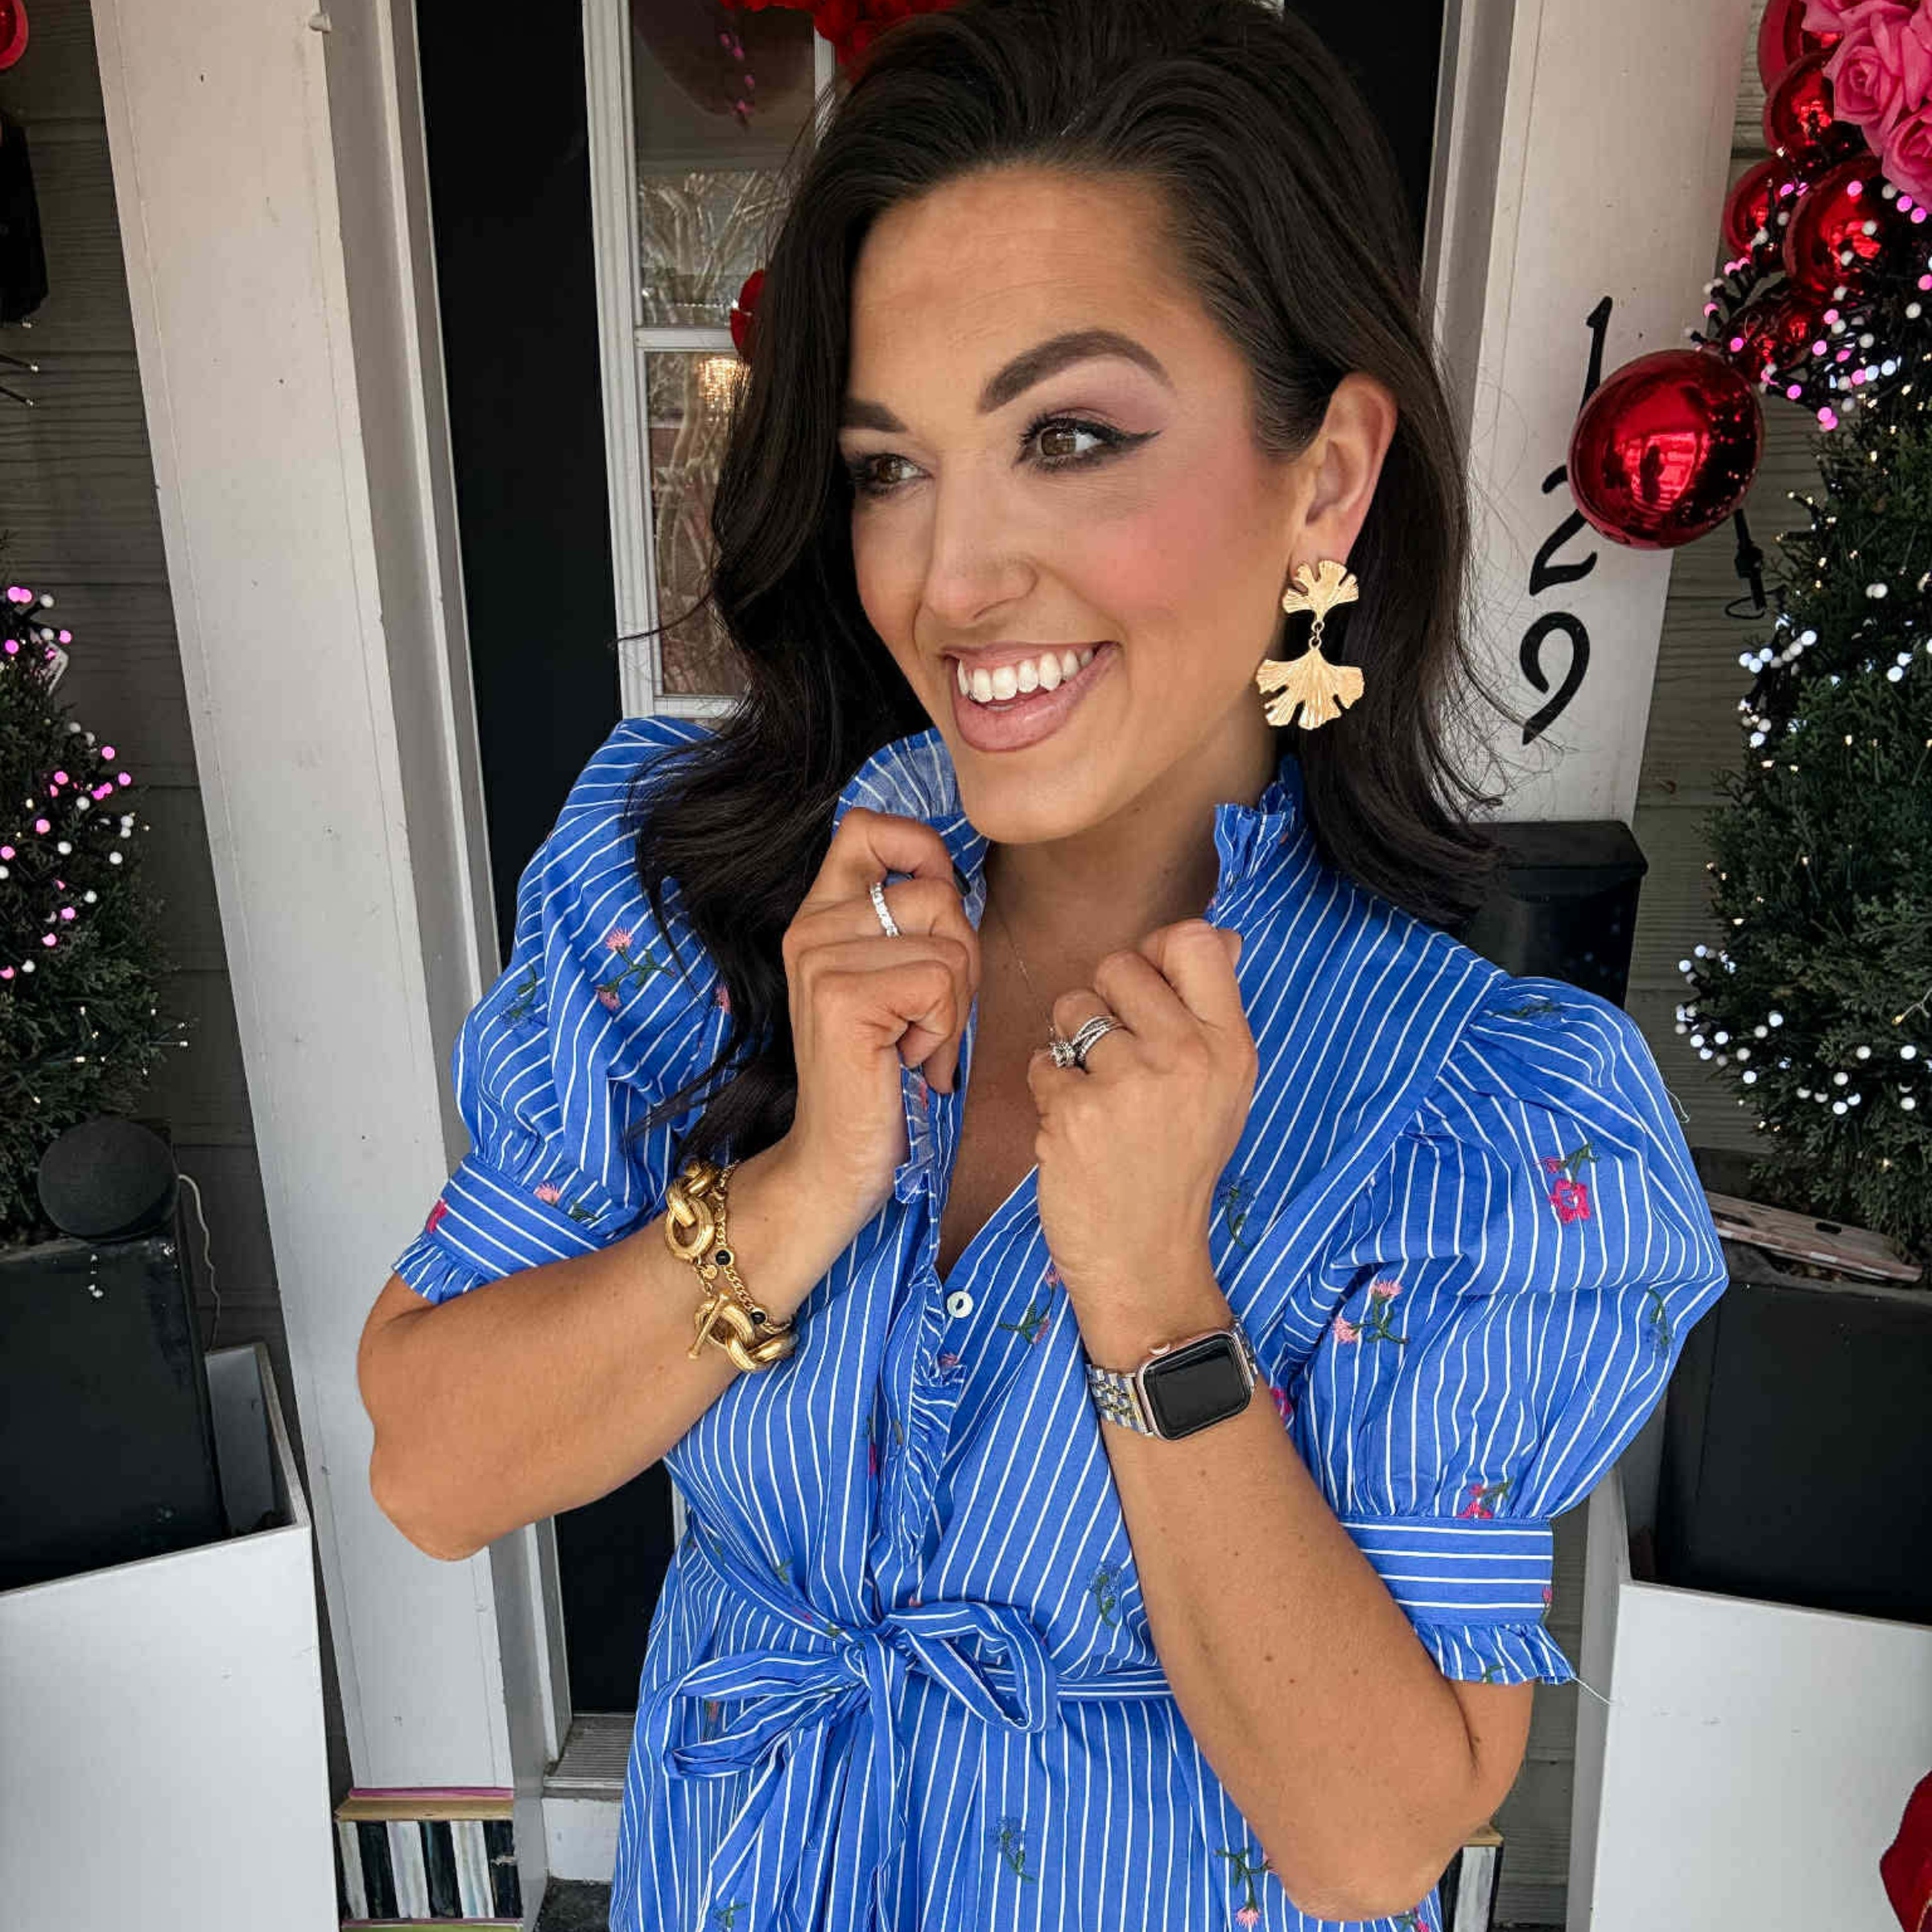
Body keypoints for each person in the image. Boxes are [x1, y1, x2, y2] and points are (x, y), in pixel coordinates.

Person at [357, 2, 1731, 1926]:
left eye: (1069, 438)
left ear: (1326, 478)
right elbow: (430, 1468)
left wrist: (1155, 1297)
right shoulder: (700, 887)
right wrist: (806, 1186)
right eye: (889, 467)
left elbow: (1374, 1840)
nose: (951, 578)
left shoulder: (1479, 1112)